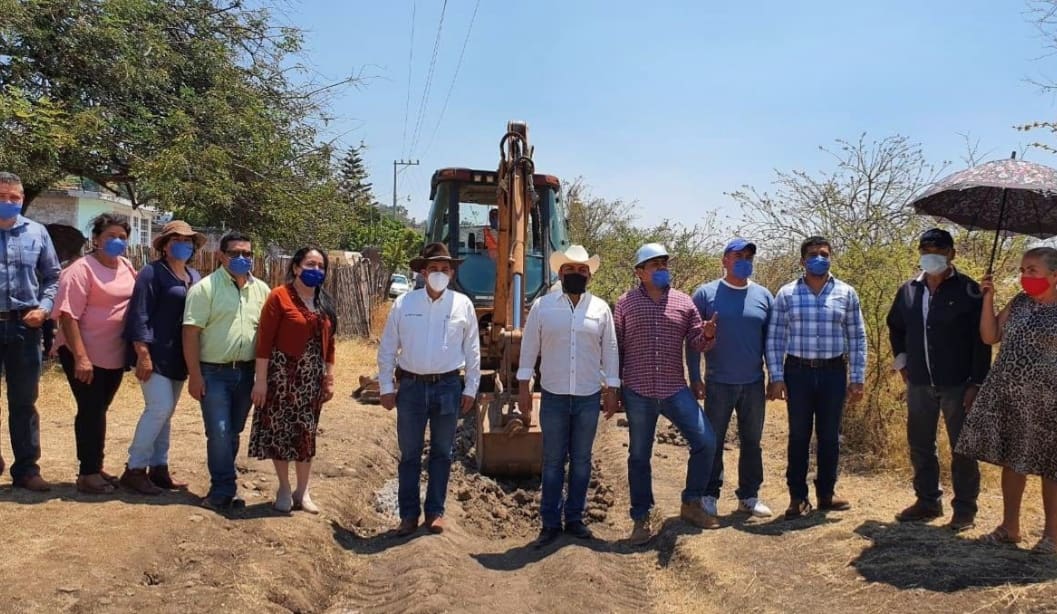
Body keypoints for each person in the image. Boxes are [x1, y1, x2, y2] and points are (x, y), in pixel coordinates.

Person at [614, 242, 719, 546]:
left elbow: (696, 342)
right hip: (638, 390)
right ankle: (641, 517)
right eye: (655, 264)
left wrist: (707, 335)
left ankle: (691, 502)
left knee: (706, 441)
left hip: (674, 388)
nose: (662, 269)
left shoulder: (683, 302)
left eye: (664, 263)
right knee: (639, 455)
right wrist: (615, 388)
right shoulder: (626, 304)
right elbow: (616, 347)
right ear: (640, 272)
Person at [517, 245, 620, 548]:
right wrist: (524, 387)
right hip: (554, 396)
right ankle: (550, 523)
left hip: (588, 396)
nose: (576, 274)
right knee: (552, 461)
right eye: (570, 269)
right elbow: (529, 348)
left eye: (582, 270)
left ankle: (574, 518)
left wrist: (611, 388)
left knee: (582, 460)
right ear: (560, 274)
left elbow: (610, 349)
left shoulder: (600, 309)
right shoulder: (543, 307)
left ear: (589, 275)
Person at [886, 228, 989, 532]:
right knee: (920, 444)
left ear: (951, 254)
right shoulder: (908, 290)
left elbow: (982, 341)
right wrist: (902, 362)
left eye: (939, 250)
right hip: (919, 382)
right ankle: (927, 501)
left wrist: (976, 383)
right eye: (925, 249)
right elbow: (896, 327)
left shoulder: (970, 290)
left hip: (958, 384)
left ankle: (965, 509)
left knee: (962, 447)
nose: (931, 255)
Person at [956, 246, 1057, 555]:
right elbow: (990, 336)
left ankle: (1052, 536)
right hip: (1009, 395)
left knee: (1051, 466)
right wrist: (988, 298)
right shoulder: (1020, 302)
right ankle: (1009, 527)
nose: (1025, 276)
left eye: (1032, 270)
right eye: (1023, 270)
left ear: (1054, 275)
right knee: (1013, 460)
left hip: (1049, 398)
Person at [377, 242, 481, 536]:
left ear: (451, 273)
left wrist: (471, 388)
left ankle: (435, 512)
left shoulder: (463, 305)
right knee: (410, 454)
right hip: (411, 387)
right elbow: (387, 348)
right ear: (423, 272)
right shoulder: (404, 304)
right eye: (433, 268)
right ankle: (408, 515)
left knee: (442, 453)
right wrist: (386, 386)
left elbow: (473, 350)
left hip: (448, 386)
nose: (439, 273)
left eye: (444, 269)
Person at [766, 236, 867, 520]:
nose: (819, 259)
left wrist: (857, 377)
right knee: (799, 435)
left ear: (831, 257)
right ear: (802, 261)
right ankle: (797, 497)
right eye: (812, 254)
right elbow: (775, 337)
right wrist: (776, 376)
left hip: (834, 372)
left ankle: (826, 494)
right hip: (797, 372)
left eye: (824, 254)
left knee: (830, 436)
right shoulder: (787, 294)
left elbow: (857, 337)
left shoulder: (846, 293)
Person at [687, 238, 775, 519]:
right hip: (718, 382)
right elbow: (693, 340)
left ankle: (749, 496)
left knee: (752, 442)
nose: (744, 261)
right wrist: (695, 377)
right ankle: (709, 494)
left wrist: (775, 376)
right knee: (713, 441)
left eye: (749, 257)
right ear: (724, 260)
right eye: (738, 256)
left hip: (753, 383)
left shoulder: (764, 296)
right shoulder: (705, 294)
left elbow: (771, 341)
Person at [183, 231, 269, 511]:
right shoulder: (205, 289)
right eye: (235, 253)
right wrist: (195, 375)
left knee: (233, 431)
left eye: (247, 253)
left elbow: (267, 335)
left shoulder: (262, 290)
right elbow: (190, 334)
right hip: (213, 373)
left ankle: (225, 482)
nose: (242, 258)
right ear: (221, 256)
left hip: (246, 373)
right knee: (219, 431)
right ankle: (223, 488)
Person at [249, 247, 337, 514]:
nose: (316, 270)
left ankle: (303, 490)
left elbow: (330, 344)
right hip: (281, 376)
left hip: (312, 380)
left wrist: (329, 377)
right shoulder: (279, 296)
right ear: (296, 267)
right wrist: (260, 380)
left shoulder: (324, 302)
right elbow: (264, 341)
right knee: (280, 431)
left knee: (306, 434)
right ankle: (285, 488)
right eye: (310, 264)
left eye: (321, 266)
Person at [120, 220, 204, 494]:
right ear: (164, 246)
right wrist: (142, 353)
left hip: (180, 356)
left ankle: (159, 468)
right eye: (177, 240)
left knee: (166, 413)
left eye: (188, 241)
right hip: (155, 354)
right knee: (158, 408)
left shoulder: (194, 276)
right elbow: (139, 313)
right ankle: (134, 469)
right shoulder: (152, 273)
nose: (183, 245)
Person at [55, 214, 137, 494]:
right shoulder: (80, 270)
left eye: (122, 237)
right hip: (83, 354)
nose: (117, 242)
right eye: (110, 236)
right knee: (90, 410)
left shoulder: (126, 266)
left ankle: (95, 465)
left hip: (113, 354)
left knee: (100, 410)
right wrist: (81, 357)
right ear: (96, 239)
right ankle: (87, 474)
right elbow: (68, 315)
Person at [0, 172, 61, 490]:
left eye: (14, 197)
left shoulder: (37, 232)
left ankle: (26, 469)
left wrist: (45, 308)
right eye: (2, 196)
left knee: (24, 401)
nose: (8, 202)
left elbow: (53, 276)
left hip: (25, 326)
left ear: (22, 199)